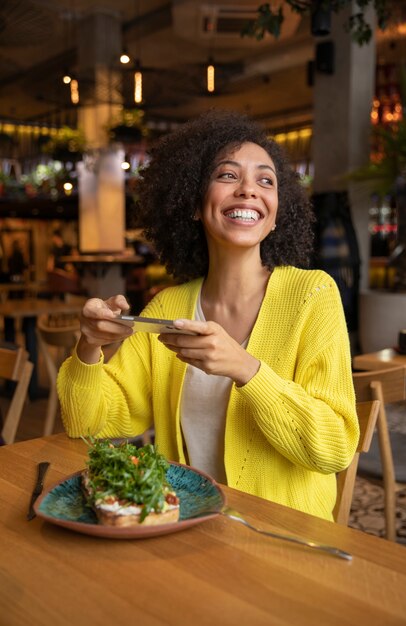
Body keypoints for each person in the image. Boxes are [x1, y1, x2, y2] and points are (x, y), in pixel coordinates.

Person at [57, 110, 359, 521]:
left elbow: (335, 447)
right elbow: (88, 423)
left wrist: (247, 370)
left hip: (283, 539)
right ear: (195, 204)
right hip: (188, 529)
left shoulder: (312, 295)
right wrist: (90, 347)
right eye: (228, 176)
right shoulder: (168, 307)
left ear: (275, 216)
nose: (249, 190)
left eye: (265, 180)